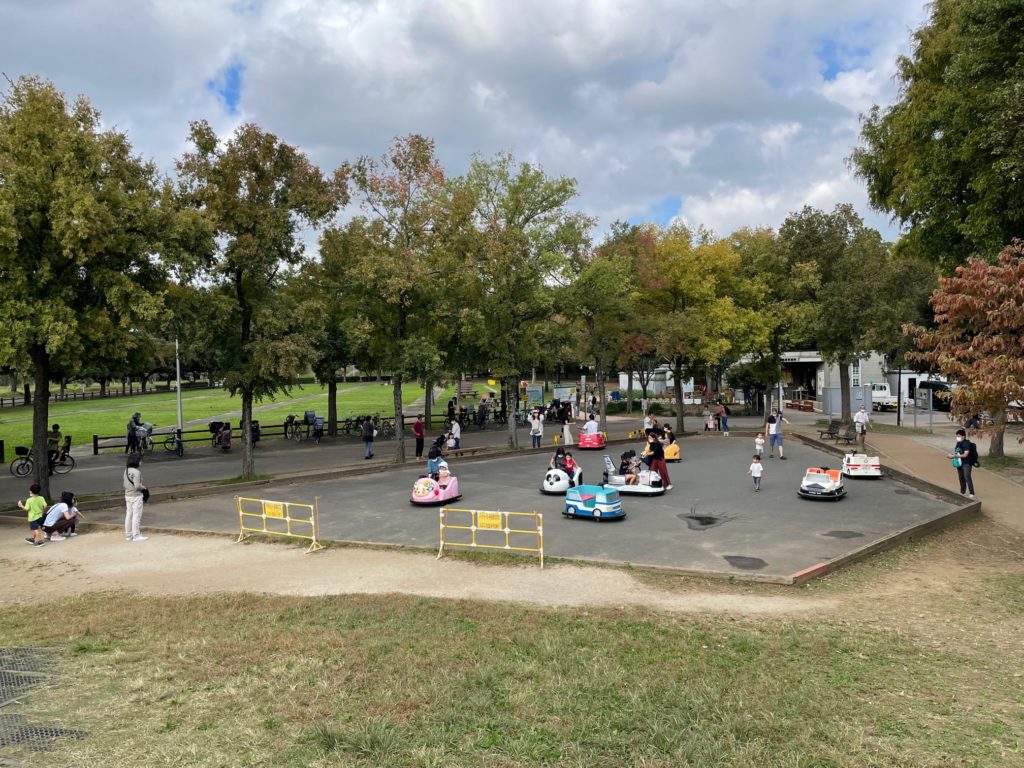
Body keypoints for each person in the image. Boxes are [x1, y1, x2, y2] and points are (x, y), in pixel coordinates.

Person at [947, 428, 979, 499]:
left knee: (967, 477)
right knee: (961, 477)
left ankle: (972, 493)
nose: (957, 437)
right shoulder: (958, 443)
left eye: (959, 436)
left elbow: (965, 455)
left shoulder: (967, 444)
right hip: (959, 462)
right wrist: (951, 455)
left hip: (967, 463)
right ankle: (962, 492)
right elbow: (957, 452)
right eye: (957, 436)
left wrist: (953, 456)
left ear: (963, 436)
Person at [123, 455, 148, 542]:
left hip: (128, 495)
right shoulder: (137, 472)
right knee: (136, 515)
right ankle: (136, 535)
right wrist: (144, 487)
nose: (141, 462)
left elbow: (124, 484)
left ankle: (128, 534)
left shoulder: (126, 471)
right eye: (140, 460)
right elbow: (137, 486)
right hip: (136, 496)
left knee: (129, 515)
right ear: (136, 461)